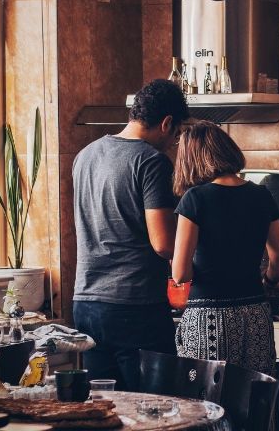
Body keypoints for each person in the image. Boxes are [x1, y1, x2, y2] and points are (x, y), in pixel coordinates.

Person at [72, 78, 189, 391]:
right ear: (167, 123)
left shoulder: (84, 156)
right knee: (158, 410)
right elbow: (164, 244)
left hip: (86, 304)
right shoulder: (152, 162)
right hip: (134, 308)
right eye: (176, 135)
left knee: (108, 410)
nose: (172, 144)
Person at [171, 121, 279, 376]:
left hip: (209, 319)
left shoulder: (195, 198)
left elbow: (180, 274)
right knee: (254, 400)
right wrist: (268, 281)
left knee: (206, 406)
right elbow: (278, 257)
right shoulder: (261, 195)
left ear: (191, 159)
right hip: (256, 313)